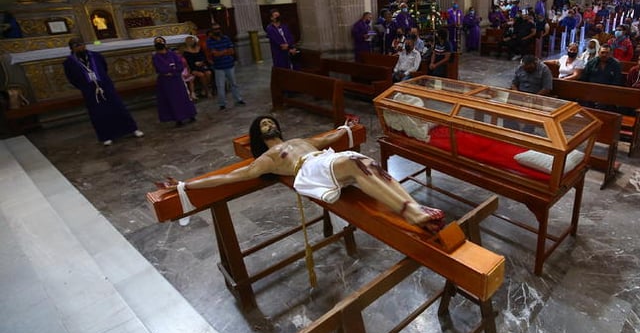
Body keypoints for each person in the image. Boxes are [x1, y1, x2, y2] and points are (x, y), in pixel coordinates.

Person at [165, 116, 445, 232]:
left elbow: (329, 138)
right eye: (263, 124)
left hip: (323, 159)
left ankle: (413, 208)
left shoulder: (299, 141)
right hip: (309, 171)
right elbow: (231, 177)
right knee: (354, 163)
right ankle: (411, 212)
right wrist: (186, 184)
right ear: (258, 136)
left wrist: (346, 127)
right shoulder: (268, 157)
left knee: (366, 162)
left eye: (270, 121)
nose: (268, 123)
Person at [62, 37, 144, 146]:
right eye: (77, 46)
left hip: (105, 86)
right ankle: (106, 136)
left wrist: (102, 81)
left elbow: (104, 68)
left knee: (118, 107)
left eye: (82, 44)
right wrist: (84, 86)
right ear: (72, 48)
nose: (80, 47)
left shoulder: (95, 56)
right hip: (90, 90)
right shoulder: (69, 62)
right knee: (98, 113)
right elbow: (71, 78)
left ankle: (132, 129)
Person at [152, 37, 197, 126]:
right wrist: (168, 71)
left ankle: (190, 115)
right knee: (172, 100)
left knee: (183, 97)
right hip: (166, 82)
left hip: (176, 79)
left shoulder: (172, 54)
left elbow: (180, 64)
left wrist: (173, 71)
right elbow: (159, 68)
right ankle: (178, 119)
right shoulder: (156, 57)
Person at [206, 23, 245, 110]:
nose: (218, 30)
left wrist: (221, 52)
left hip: (229, 64)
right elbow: (215, 54)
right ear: (212, 31)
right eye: (215, 29)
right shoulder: (209, 41)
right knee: (220, 86)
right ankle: (222, 104)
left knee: (234, 83)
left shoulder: (226, 38)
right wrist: (225, 52)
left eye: (218, 28)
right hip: (219, 66)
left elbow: (231, 51)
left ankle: (238, 99)